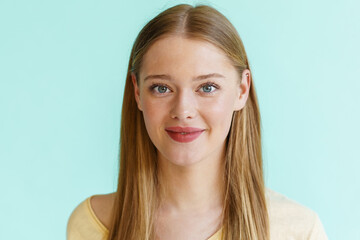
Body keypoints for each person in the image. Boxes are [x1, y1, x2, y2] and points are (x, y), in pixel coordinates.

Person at [67, 4, 328, 240]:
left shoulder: (299, 230)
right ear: (137, 92)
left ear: (241, 90)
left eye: (207, 87)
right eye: (161, 88)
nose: (183, 110)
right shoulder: (90, 225)